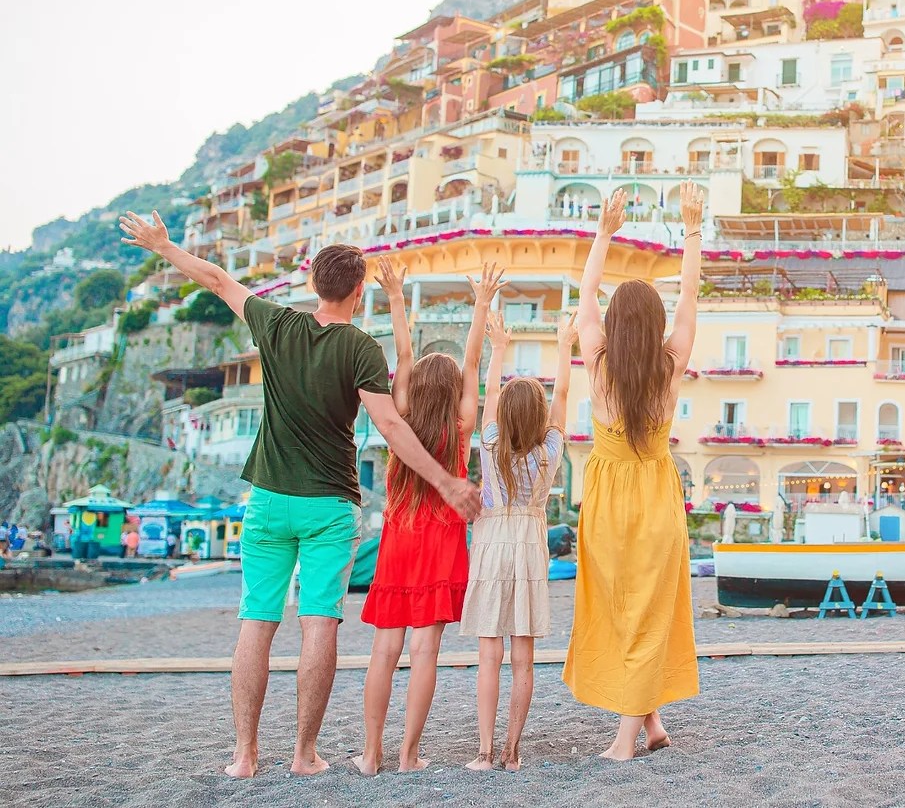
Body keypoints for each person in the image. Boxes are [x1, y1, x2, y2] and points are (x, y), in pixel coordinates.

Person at [119, 211, 478, 779]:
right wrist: (446, 480)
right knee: (318, 622)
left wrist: (165, 246)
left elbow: (215, 279)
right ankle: (304, 754)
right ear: (359, 292)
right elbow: (389, 425)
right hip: (330, 503)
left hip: (267, 497)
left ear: (312, 282)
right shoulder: (361, 349)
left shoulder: (276, 324)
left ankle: (244, 755)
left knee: (256, 623)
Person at [563, 183, 704, 761]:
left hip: (606, 503)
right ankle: (649, 723)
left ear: (617, 325)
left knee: (624, 608)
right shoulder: (669, 367)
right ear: (656, 324)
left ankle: (626, 736)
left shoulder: (598, 365)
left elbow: (587, 291)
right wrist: (692, 229)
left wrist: (603, 232)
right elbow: (692, 296)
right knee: (644, 607)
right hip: (657, 499)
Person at [353, 261, 503, 776]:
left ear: (414, 390)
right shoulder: (461, 424)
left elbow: (404, 353)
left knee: (384, 649)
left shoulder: (404, 417)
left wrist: (396, 296)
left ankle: (371, 754)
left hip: (399, 536)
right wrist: (481, 303)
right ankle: (408, 755)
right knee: (424, 651)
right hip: (441, 540)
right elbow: (474, 358)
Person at [462, 308, 575, 771]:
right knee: (523, 657)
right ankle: (512, 751)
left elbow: (490, 395)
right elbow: (563, 393)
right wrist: (566, 346)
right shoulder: (549, 452)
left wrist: (499, 349)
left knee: (491, 653)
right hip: (530, 541)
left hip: (491, 541)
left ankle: (485, 751)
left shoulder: (490, 445)